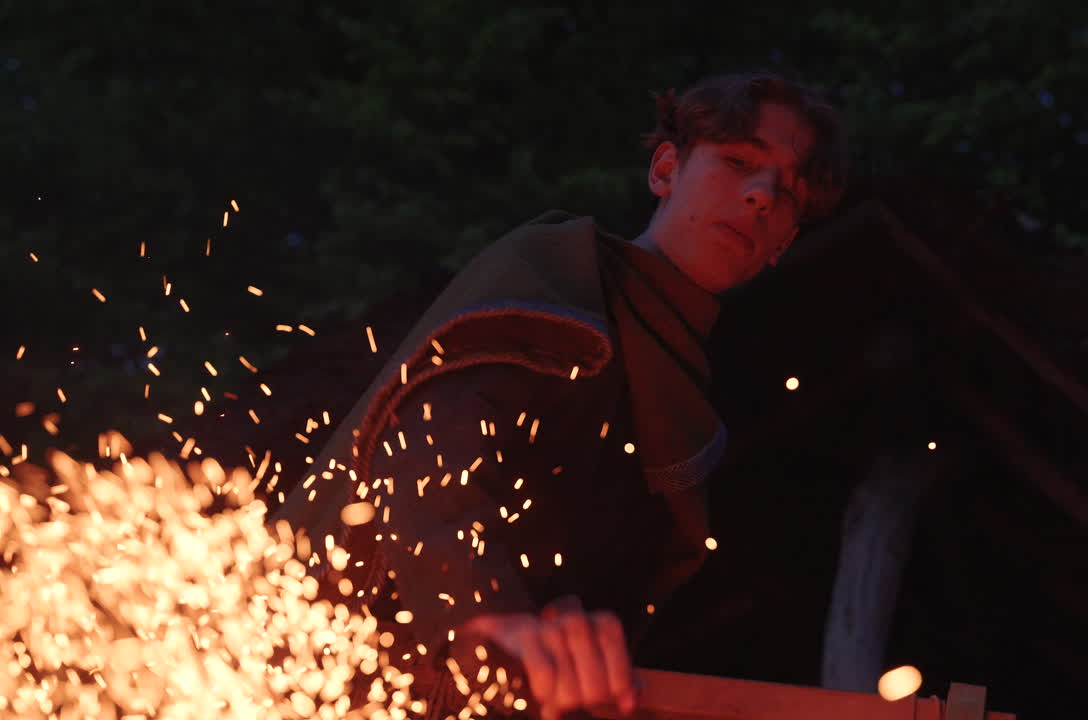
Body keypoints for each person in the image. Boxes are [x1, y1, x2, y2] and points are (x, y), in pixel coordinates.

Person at [272, 69, 848, 720]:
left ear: (784, 243)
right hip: (320, 678)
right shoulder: (555, 274)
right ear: (665, 169)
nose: (761, 196)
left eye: (790, 194)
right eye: (739, 161)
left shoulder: (692, 423)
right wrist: (487, 616)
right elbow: (423, 454)